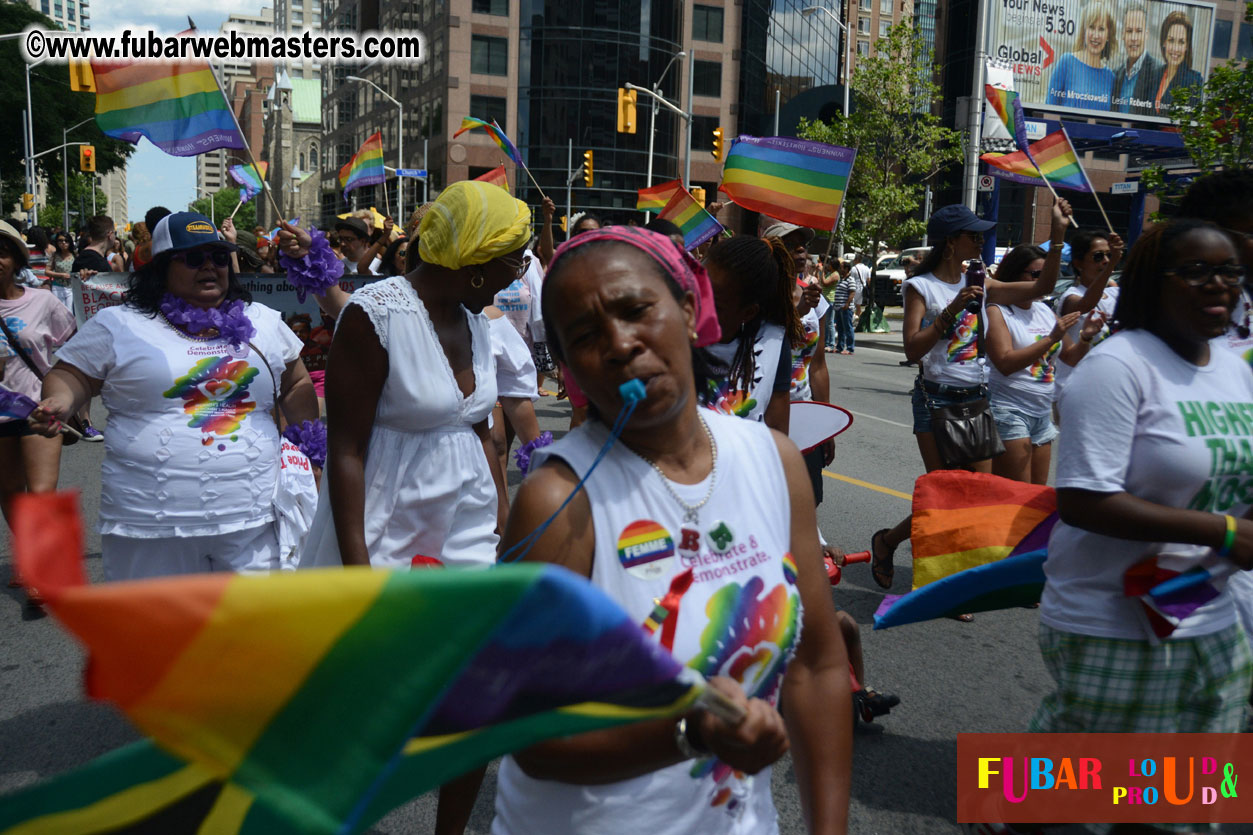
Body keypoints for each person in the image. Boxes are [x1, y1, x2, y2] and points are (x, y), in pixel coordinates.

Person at [493, 224, 852, 834]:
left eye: (637, 310)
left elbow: (816, 666)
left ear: (688, 310)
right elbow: (529, 732)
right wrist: (691, 733)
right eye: (585, 335)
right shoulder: (558, 500)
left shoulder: (774, 462)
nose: (620, 344)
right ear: (569, 365)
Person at [1031, 220, 1253, 755]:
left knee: (1196, 789)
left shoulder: (1234, 369)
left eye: (1229, 271)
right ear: (1154, 282)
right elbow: (1083, 500)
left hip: (1207, 610)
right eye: (1196, 271)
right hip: (1112, 618)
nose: (1218, 284)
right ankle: (1005, 796)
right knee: (1094, 789)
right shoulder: (1117, 366)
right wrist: (1224, 532)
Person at [28, 212, 318, 580]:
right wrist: (60, 401)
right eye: (194, 258)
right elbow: (71, 375)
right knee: (155, 620)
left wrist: (310, 452)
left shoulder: (262, 321)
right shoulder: (119, 324)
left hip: (254, 522)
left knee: (255, 619)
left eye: (218, 256)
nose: (210, 266)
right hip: (149, 529)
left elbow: (295, 384)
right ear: (162, 267)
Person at [300, 180, 529, 571]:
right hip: (388, 531)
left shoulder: (475, 321)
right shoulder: (375, 315)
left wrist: (502, 522)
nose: (517, 278)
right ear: (477, 260)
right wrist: (358, 570)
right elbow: (346, 451)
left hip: (469, 528)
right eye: (515, 262)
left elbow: (479, 431)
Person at [866, 203, 1069, 602]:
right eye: (973, 236)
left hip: (975, 398)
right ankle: (943, 583)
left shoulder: (982, 282)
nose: (980, 241)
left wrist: (1058, 235)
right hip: (935, 398)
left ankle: (890, 542)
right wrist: (951, 311)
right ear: (950, 242)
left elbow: (1041, 288)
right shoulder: (921, 287)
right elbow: (912, 349)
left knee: (975, 495)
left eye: (981, 235)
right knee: (945, 494)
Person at [0, 220, 76, 586]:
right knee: (10, 491)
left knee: (42, 492)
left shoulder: (42, 301)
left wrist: (63, 391)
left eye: (2, 252)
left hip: (37, 408)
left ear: (16, 259)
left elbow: (75, 346)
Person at [985, 237, 1087, 484]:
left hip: (1041, 412)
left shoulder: (1043, 310)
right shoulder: (997, 310)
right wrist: (1051, 338)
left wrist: (1087, 338)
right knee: (1015, 494)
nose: (1043, 282)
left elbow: (1070, 356)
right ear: (1015, 275)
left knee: (1037, 496)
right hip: (1009, 411)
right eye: (1036, 275)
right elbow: (1005, 363)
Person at [700, 235, 804, 432]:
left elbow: (776, 434)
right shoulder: (674, 333)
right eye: (698, 290)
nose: (697, 304)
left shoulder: (773, 343)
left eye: (715, 304)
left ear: (748, 313)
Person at [1053, 227, 1125, 396]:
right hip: (1075, 389)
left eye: (1109, 255)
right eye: (1098, 256)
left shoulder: (1115, 293)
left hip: (1109, 388)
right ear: (1078, 263)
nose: (1106, 260)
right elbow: (1087, 304)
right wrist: (1112, 265)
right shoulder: (1071, 297)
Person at [1044, 0, 1117, 111]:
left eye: (1101, 29)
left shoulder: (1110, 77)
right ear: (1084, 31)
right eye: (1091, 27)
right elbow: (1049, 108)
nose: (1096, 35)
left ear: (1108, 35)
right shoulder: (1066, 62)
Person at [1110, 1, 1161, 115]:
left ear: (1146, 34)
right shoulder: (1116, 75)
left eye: (1139, 31)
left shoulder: (1158, 73)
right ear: (1123, 35)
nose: (1134, 38)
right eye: (1129, 31)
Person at [1151, 10, 1203, 116]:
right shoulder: (1154, 75)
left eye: (1181, 42)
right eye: (1171, 40)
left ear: (1187, 46)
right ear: (1164, 42)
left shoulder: (1195, 81)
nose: (1175, 49)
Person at [44, 232, 76, 310]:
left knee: (69, 311)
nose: (63, 243)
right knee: (59, 310)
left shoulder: (75, 255)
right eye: (60, 240)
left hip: (71, 287)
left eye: (66, 240)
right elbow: (47, 271)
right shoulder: (55, 255)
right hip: (57, 287)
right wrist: (61, 275)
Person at [832, 262, 858, 355]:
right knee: (840, 328)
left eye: (841, 268)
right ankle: (840, 346)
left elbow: (852, 292)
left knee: (848, 328)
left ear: (846, 269)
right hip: (838, 307)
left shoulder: (850, 280)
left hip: (846, 308)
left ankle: (850, 348)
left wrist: (847, 303)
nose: (839, 269)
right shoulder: (841, 279)